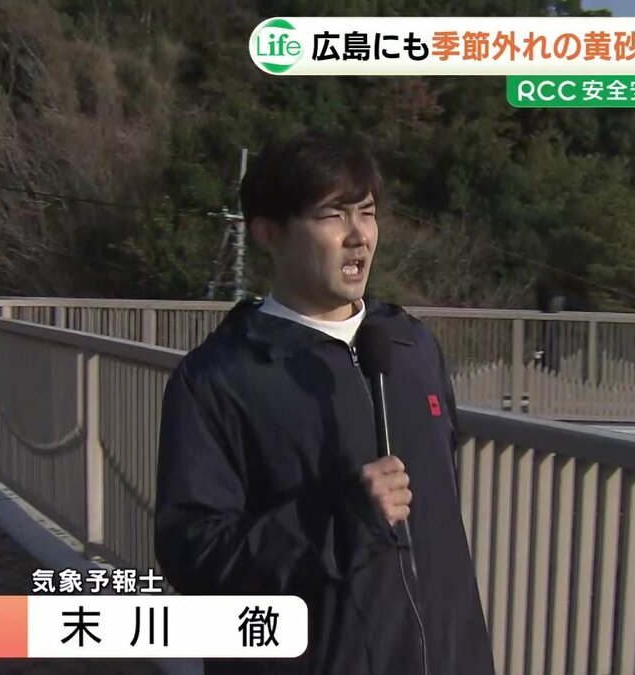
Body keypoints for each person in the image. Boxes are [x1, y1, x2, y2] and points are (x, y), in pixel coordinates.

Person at [154, 131, 495, 675]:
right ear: (268, 233)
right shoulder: (218, 378)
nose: (359, 236)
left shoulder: (411, 347)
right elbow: (195, 555)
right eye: (333, 216)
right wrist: (341, 520)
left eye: (368, 213)